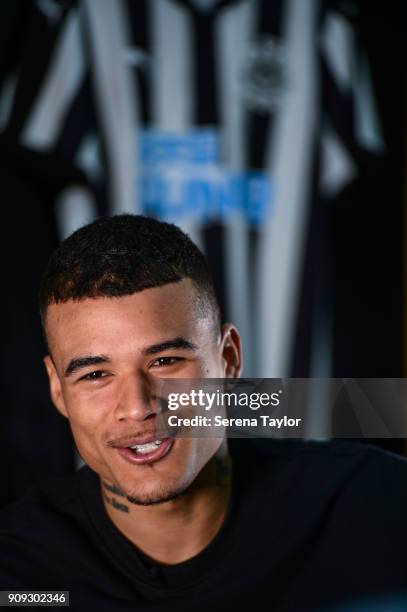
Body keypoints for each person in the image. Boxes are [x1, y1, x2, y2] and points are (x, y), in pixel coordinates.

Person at [0, 214, 406, 611]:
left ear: (227, 359)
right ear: (57, 388)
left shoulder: (374, 506)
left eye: (165, 362)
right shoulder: (19, 574)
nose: (138, 407)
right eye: (96, 374)